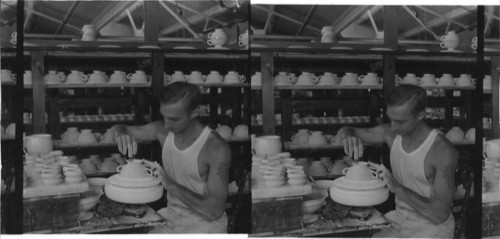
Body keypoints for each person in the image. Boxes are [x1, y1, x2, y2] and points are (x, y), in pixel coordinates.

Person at [337, 84, 458, 238]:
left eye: (400, 122)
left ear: (421, 115)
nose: (393, 127)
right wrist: (348, 135)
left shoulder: (442, 150)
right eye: (391, 119)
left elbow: (440, 214)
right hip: (399, 218)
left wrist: (397, 188)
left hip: (432, 226)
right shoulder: (391, 132)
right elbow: (349, 130)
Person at [110, 82, 231, 233]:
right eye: (164, 117)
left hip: (205, 223)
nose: (166, 124)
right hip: (171, 215)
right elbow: (117, 128)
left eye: (173, 119)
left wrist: (170, 184)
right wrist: (120, 134)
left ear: (195, 112)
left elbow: (214, 211)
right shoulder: (163, 131)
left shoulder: (216, 147)